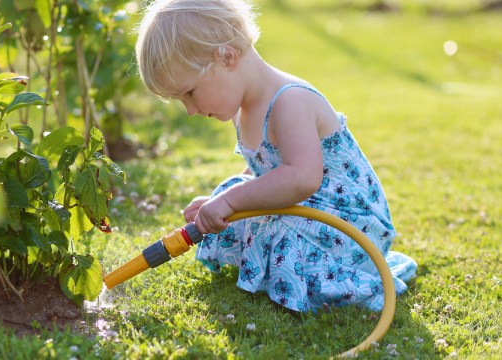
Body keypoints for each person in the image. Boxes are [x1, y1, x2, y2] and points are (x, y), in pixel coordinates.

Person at [135, 0, 417, 312]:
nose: (189, 110)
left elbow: (302, 178)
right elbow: (265, 169)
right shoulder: (242, 109)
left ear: (226, 57)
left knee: (260, 215)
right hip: (308, 208)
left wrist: (232, 201)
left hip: (348, 223)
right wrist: (227, 198)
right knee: (232, 192)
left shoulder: (289, 101)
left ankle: (328, 278)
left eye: (189, 93)